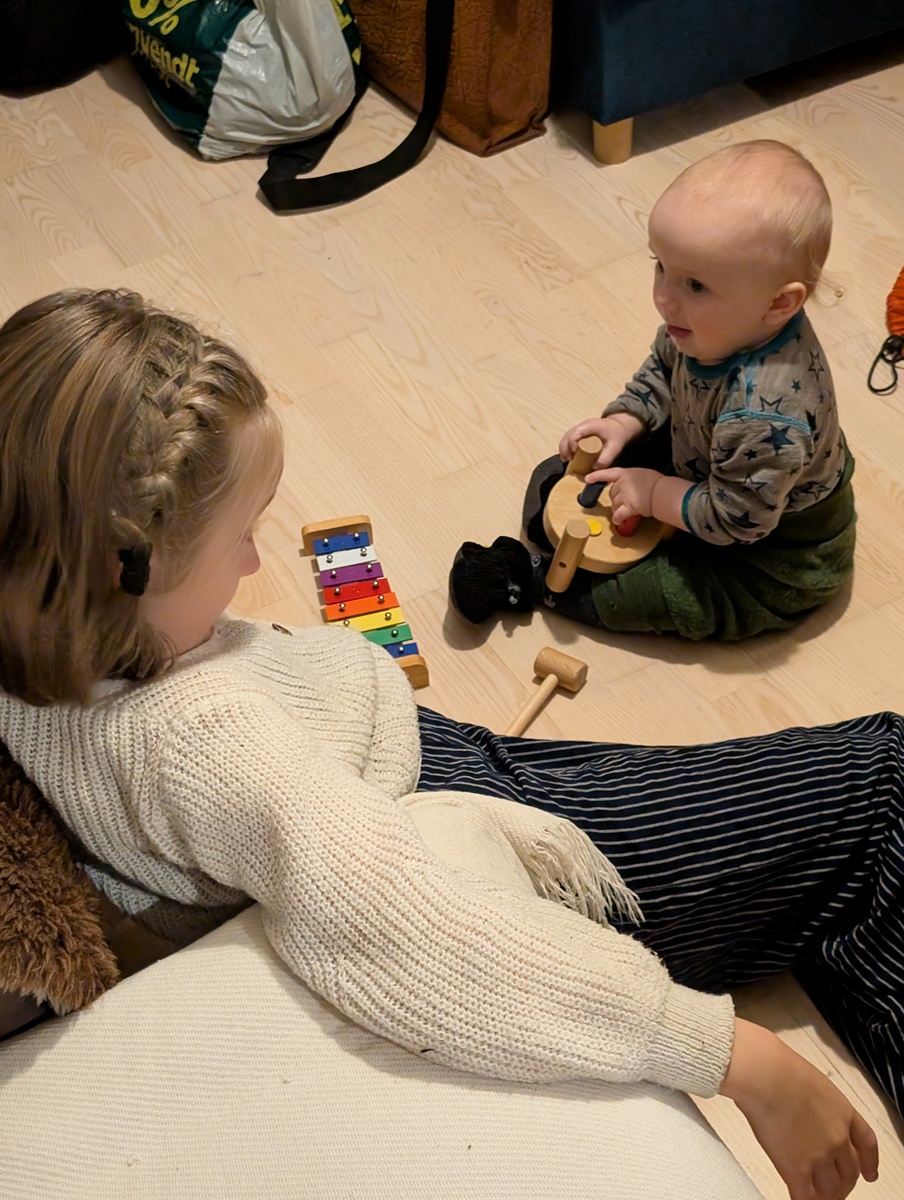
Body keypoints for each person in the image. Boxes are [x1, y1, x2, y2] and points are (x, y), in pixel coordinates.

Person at [0, 289, 886, 1200]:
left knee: (804, 868)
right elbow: (418, 930)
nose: (256, 564)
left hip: (399, 746)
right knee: (884, 779)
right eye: (242, 535)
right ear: (127, 562)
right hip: (447, 796)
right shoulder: (205, 744)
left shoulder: (34, 631)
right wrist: (737, 1057)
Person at [449, 140, 856, 640]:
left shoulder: (766, 417)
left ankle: (539, 583)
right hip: (708, 457)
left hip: (766, 552)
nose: (664, 298)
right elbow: (666, 369)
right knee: (558, 475)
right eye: (661, 266)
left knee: (656, 597)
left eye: (695, 286)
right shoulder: (721, 322)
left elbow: (738, 520)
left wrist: (656, 493)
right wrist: (626, 421)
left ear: (779, 305)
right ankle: (605, 527)